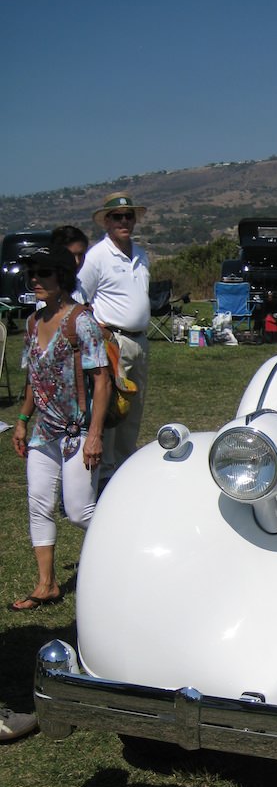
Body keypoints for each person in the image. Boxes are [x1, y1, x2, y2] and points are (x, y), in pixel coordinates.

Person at [9, 246, 111, 611]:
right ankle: (46, 584)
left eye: (45, 273)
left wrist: (95, 434)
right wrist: (22, 420)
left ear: (63, 278)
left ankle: (124, 548)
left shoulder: (80, 321)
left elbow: (102, 380)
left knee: (80, 510)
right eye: (32, 274)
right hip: (44, 432)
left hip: (78, 431)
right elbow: (33, 379)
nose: (36, 280)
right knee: (38, 504)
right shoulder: (33, 323)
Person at [77, 193, 150, 482]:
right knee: (110, 408)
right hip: (113, 341)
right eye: (117, 217)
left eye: (128, 216)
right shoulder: (97, 256)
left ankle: (124, 467)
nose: (124, 222)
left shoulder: (141, 254)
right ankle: (104, 474)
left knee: (134, 406)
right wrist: (100, 330)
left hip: (140, 341)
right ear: (106, 221)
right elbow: (79, 298)